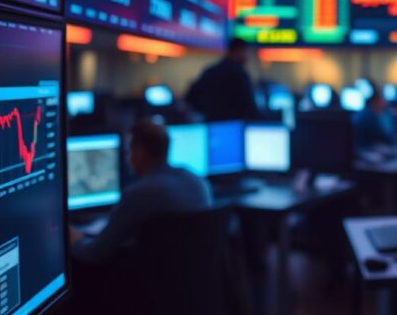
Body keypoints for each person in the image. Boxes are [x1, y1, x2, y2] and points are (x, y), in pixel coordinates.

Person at [69, 119, 213, 264]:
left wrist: (74, 238)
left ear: (140, 152)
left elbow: (95, 253)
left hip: (154, 281)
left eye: (129, 151)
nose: (128, 159)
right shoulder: (199, 183)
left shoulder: (137, 194)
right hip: (195, 278)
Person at [185, 37, 258, 121]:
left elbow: (190, 98)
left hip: (212, 123)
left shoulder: (210, 71)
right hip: (234, 125)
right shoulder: (240, 74)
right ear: (238, 51)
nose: (247, 57)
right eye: (246, 52)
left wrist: (206, 111)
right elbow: (250, 106)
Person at [352, 81, 397, 152]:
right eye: (383, 97)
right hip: (369, 152)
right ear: (375, 99)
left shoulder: (368, 113)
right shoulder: (367, 117)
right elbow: (386, 137)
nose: (386, 101)